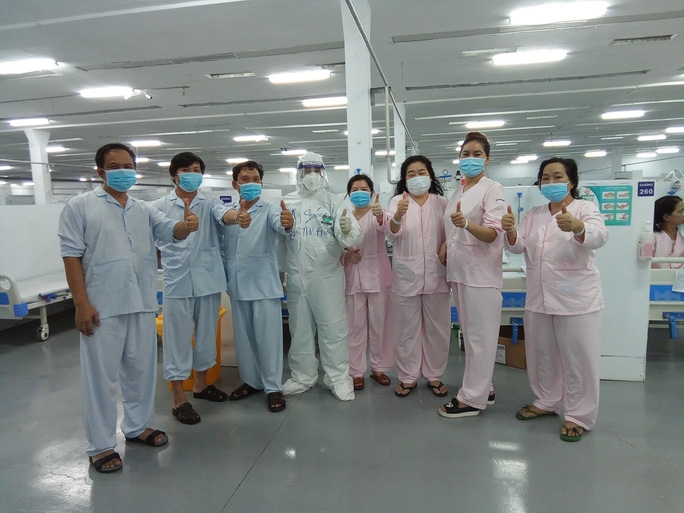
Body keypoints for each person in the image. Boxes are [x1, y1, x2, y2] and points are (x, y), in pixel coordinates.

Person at [58, 143, 199, 473]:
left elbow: (170, 231)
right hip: (102, 306)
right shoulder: (80, 207)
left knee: (141, 371)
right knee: (101, 379)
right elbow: (71, 256)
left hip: (142, 301)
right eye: (115, 165)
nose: (124, 171)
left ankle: (138, 427)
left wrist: (186, 224)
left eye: (129, 165)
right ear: (100, 171)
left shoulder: (143, 209)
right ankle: (100, 445)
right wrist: (81, 304)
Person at [502, 157, 608, 442]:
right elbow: (518, 245)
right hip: (539, 297)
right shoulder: (535, 213)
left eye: (557, 177)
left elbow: (600, 236)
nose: (550, 183)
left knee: (579, 359)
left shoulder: (585, 208)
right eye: (545, 178)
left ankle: (579, 415)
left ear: (571, 181)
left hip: (577, 298)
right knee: (542, 354)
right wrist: (510, 229)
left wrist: (577, 227)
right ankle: (546, 401)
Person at [152, 152, 236, 425]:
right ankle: (179, 398)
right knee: (176, 339)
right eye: (186, 170)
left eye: (197, 169)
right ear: (174, 175)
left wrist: (238, 215)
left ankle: (201, 385)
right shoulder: (159, 206)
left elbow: (225, 214)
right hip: (177, 281)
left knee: (206, 335)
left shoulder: (210, 203)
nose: (192, 173)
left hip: (208, 279)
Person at [281, 151, 362, 401]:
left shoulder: (335, 200)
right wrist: (284, 227)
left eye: (317, 171)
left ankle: (338, 378)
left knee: (333, 328)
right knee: (300, 329)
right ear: (299, 174)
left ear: (323, 173)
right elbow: (278, 239)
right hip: (296, 276)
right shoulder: (288, 202)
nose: (312, 177)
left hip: (326, 275)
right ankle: (302, 376)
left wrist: (348, 230)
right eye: (307, 171)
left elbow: (349, 233)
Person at [438, 132, 508, 418]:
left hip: (481, 274)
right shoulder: (460, 190)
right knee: (472, 336)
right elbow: (453, 227)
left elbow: (493, 233)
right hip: (461, 272)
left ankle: (471, 399)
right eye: (465, 153)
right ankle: (485, 387)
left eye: (476, 154)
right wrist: (446, 242)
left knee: (480, 338)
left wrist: (466, 223)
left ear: (487, 159)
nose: (470, 158)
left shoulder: (493, 189)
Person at [222, 160, 294, 412]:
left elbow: (281, 225)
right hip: (238, 286)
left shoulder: (271, 210)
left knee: (268, 339)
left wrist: (288, 222)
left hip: (264, 285)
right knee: (244, 339)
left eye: (255, 180)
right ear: (235, 184)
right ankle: (251, 381)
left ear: (261, 184)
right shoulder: (227, 214)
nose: (251, 184)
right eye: (245, 179)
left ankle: (273, 387)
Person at [386, 155, 450, 398]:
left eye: (420, 172)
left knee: (438, 329)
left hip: (437, 273)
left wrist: (447, 246)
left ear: (430, 176)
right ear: (404, 179)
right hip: (406, 274)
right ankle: (408, 376)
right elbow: (392, 233)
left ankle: (434, 375)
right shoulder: (397, 201)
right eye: (410, 173)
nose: (416, 177)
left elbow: (451, 233)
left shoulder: (442, 202)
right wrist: (398, 215)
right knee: (406, 329)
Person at [342, 174, 394, 391]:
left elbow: (391, 229)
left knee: (380, 325)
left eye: (364, 189)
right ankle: (355, 371)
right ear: (349, 194)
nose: (360, 192)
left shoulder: (378, 214)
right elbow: (334, 244)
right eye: (355, 189)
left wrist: (381, 215)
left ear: (372, 193)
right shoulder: (344, 216)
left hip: (378, 276)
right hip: (353, 277)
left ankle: (378, 368)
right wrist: (345, 255)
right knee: (354, 327)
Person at [652, 194, 684, 268]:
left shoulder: (681, 235)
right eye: (680, 212)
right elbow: (646, 261)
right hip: (657, 277)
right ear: (666, 217)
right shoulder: (652, 236)